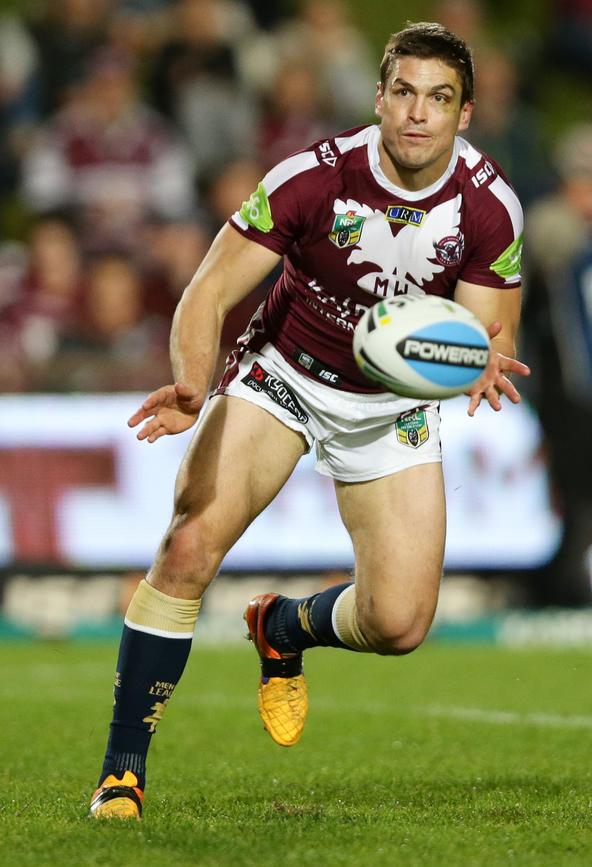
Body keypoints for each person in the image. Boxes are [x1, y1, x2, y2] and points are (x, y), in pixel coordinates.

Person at [89, 21, 530, 820]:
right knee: (188, 544)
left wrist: (480, 358)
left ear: (465, 114)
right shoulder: (314, 177)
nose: (418, 114)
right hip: (286, 376)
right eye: (404, 92)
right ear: (379, 98)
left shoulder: (491, 207)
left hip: (392, 405)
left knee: (399, 623)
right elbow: (209, 288)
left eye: (439, 98)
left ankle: (283, 626)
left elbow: (489, 331)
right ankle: (122, 769)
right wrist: (193, 382)